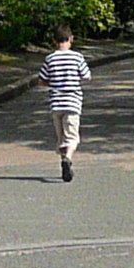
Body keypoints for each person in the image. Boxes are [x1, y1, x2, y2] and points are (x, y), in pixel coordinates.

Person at [33, 26, 89, 180]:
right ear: (71, 39)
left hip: (56, 103)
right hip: (72, 102)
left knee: (61, 138)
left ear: (54, 41)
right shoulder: (77, 57)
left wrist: (53, 83)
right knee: (72, 137)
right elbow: (87, 76)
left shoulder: (50, 59)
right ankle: (67, 160)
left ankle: (64, 163)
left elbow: (41, 80)